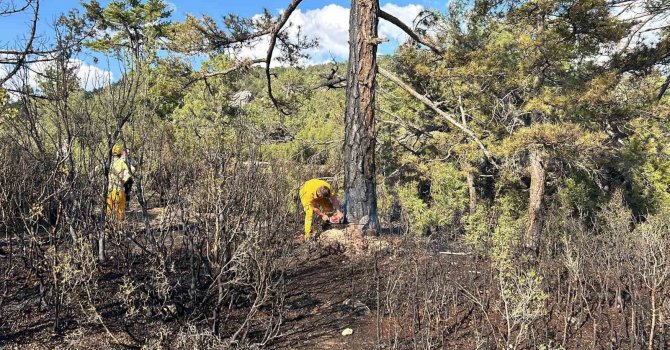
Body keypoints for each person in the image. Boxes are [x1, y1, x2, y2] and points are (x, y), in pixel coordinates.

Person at [107, 144, 131, 221]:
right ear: (121, 153)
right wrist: (124, 179)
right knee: (120, 213)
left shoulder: (108, 162)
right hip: (119, 190)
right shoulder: (122, 162)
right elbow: (132, 170)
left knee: (109, 212)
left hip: (110, 191)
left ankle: (109, 229)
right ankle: (119, 229)